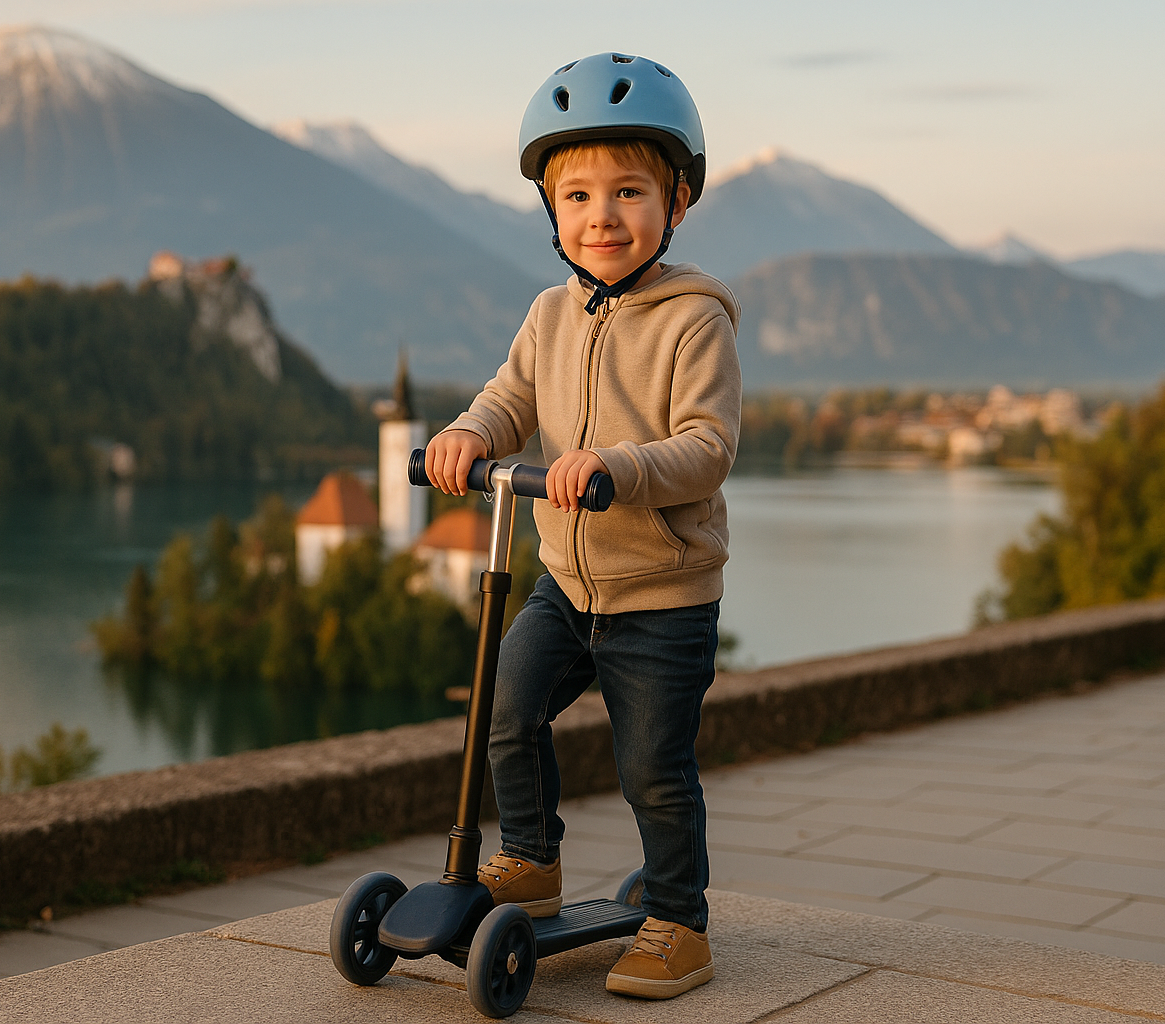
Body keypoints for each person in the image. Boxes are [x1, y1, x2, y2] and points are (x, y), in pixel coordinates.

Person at [424, 51, 740, 1000]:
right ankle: (530, 858)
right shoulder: (548, 315)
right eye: (579, 197)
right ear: (553, 214)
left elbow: (707, 447)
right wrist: (467, 434)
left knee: (653, 769)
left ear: (675, 202)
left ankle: (680, 923)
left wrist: (617, 467)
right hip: (567, 583)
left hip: (664, 596)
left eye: (630, 191)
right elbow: (508, 398)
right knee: (505, 711)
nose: (603, 215)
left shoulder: (695, 323)